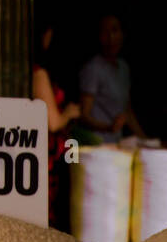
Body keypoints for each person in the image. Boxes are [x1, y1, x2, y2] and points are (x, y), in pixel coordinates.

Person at [32, 20, 80, 230]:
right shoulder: (39, 74)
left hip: (58, 151)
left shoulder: (45, 72)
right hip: (49, 155)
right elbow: (52, 123)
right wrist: (69, 113)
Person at [78, 15, 147, 144]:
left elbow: (127, 112)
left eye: (115, 31)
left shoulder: (123, 68)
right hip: (96, 143)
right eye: (105, 33)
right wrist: (109, 127)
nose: (111, 38)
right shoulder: (93, 69)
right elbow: (84, 115)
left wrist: (145, 141)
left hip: (116, 143)